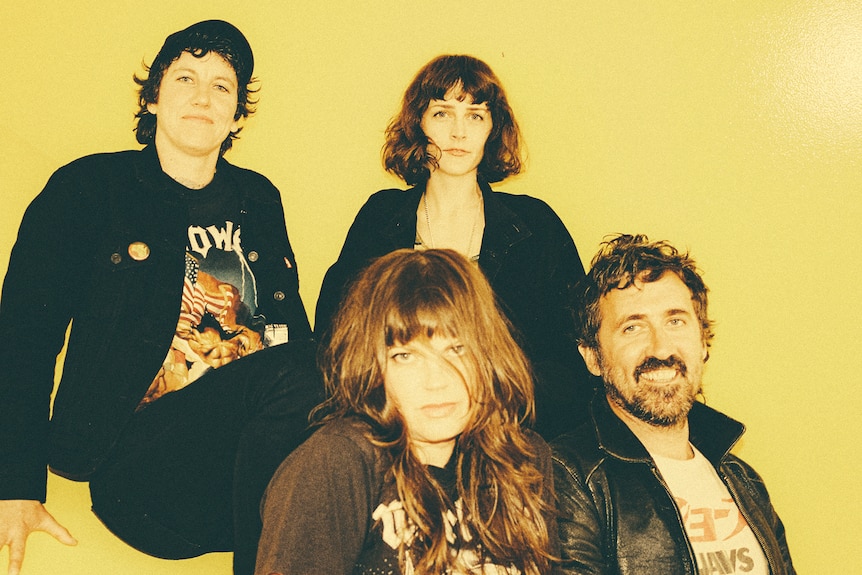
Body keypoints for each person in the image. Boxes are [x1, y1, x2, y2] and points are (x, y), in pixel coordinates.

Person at [0, 20, 322, 575]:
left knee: (336, 371)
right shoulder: (88, 190)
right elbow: (22, 341)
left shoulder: (259, 199)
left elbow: (287, 328)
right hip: (140, 473)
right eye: (186, 78)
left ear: (239, 113)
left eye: (223, 86)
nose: (203, 97)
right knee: (307, 368)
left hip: (246, 465)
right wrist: (14, 486)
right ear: (152, 98)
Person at [314, 54, 595, 441]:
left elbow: (572, 356)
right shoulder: (381, 219)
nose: (459, 133)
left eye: (476, 116)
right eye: (443, 114)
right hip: (396, 429)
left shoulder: (536, 226)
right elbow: (337, 335)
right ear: (418, 124)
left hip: (509, 432)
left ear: (492, 129)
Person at [256, 249, 559, 575]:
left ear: (487, 355)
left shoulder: (524, 457)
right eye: (405, 356)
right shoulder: (335, 462)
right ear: (373, 367)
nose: (436, 381)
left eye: (456, 350)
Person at [551, 234, 795, 574]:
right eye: (633, 327)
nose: (661, 348)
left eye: (675, 321)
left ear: (703, 342)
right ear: (593, 357)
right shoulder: (564, 476)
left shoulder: (745, 482)